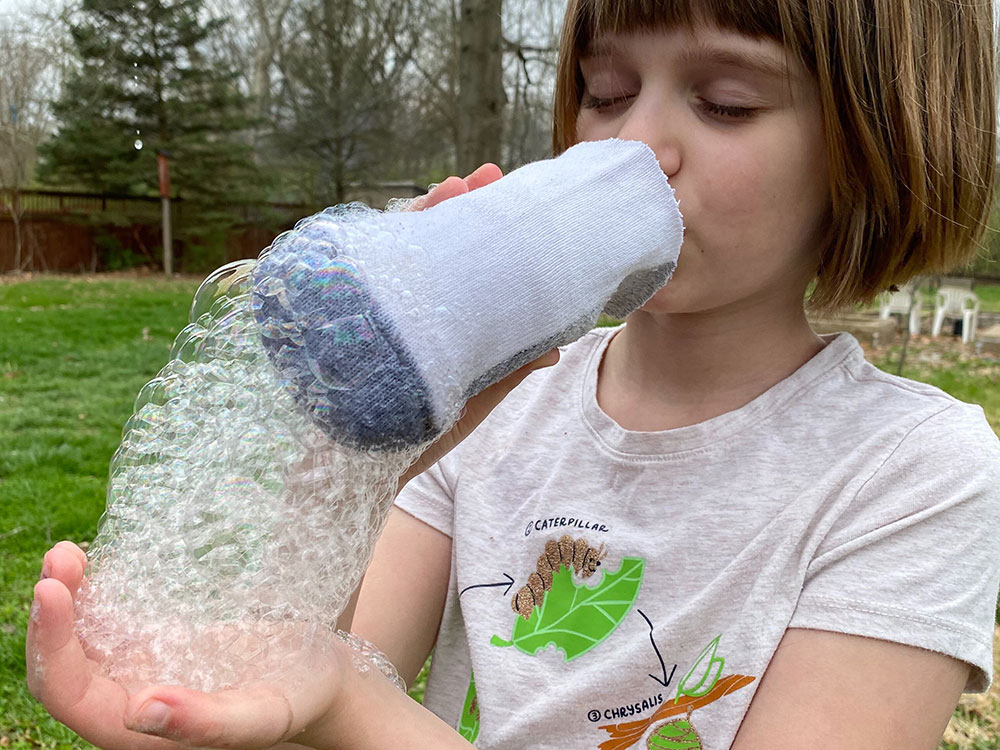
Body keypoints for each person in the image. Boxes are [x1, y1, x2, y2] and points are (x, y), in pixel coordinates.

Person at [27, 0, 1000, 748]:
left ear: (871, 149)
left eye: (725, 101)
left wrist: (346, 702)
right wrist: (365, 454)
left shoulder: (913, 471)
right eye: (606, 91)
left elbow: (342, 690)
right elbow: (311, 662)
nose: (630, 146)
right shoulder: (503, 408)